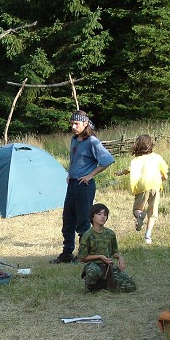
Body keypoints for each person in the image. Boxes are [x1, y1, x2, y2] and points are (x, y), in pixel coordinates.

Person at [50, 110, 115, 263]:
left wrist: (90, 175)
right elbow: (76, 160)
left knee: (83, 222)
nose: (73, 126)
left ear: (85, 123)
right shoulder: (74, 140)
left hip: (84, 186)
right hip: (72, 184)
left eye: (76, 123)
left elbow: (107, 160)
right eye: (72, 123)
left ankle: (83, 256)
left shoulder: (92, 141)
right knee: (68, 220)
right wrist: (70, 174)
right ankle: (66, 254)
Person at [115, 134, 168, 244]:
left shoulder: (137, 160)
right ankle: (148, 236)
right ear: (150, 145)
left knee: (136, 209)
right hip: (156, 185)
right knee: (153, 212)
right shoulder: (157, 157)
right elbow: (165, 172)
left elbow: (130, 169)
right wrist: (163, 178)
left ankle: (140, 215)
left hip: (143, 186)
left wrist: (120, 173)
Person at [77, 203, 136, 293]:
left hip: (108, 267)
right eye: (99, 214)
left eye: (105, 214)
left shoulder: (110, 233)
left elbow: (114, 252)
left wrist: (120, 258)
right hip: (94, 266)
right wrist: (100, 257)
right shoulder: (87, 235)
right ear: (92, 217)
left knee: (130, 287)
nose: (103, 217)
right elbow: (82, 258)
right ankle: (90, 287)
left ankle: (104, 284)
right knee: (94, 271)